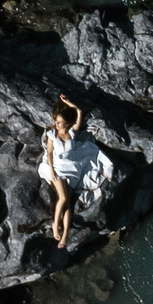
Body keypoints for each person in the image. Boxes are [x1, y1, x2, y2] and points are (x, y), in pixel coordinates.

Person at [38, 93, 110, 249]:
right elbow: (49, 154)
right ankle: (56, 224)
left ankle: (64, 237)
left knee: (68, 202)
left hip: (73, 170)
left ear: (66, 123)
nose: (57, 125)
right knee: (63, 197)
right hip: (58, 169)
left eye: (60, 122)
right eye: (56, 122)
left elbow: (79, 112)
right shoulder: (51, 134)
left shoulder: (71, 133)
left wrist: (69, 103)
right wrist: (51, 171)